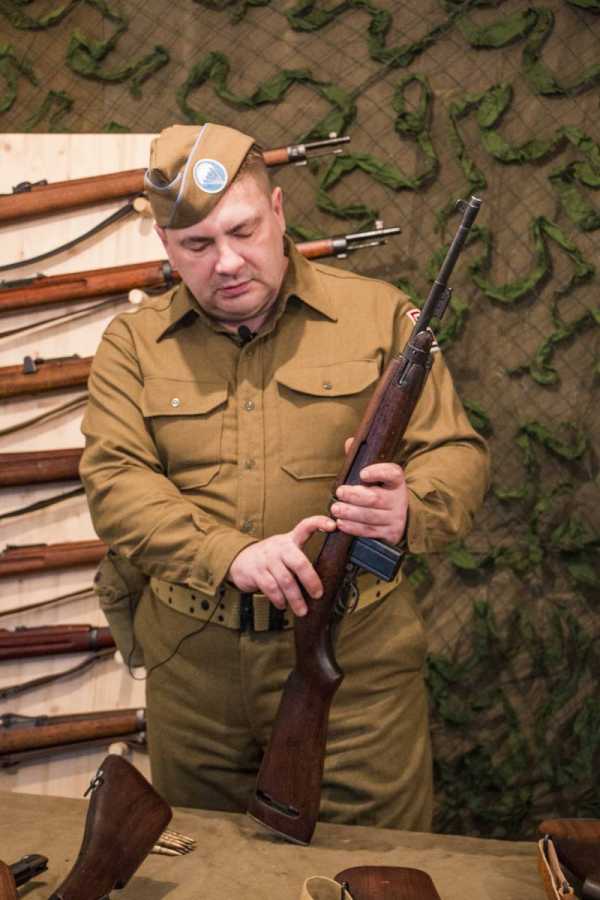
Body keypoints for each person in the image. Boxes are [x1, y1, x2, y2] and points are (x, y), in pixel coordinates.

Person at [81, 122, 489, 831]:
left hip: (355, 665)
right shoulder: (133, 345)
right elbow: (115, 481)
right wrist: (229, 554)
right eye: (197, 245)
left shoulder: (379, 317)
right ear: (166, 245)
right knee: (200, 862)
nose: (227, 262)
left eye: (242, 230)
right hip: (195, 677)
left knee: (373, 859)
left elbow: (455, 452)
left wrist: (408, 509)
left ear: (277, 210)